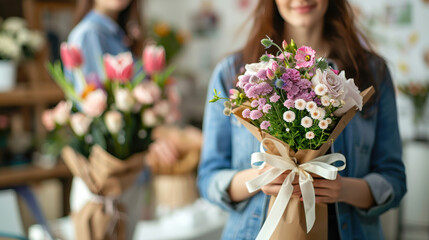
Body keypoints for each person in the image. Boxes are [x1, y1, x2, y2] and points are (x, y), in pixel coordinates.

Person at [197, 0, 407, 239]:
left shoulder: (373, 72)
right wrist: (259, 179)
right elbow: (208, 178)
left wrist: (343, 189)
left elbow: (394, 180)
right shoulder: (233, 73)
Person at [66, 0, 180, 238]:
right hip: (104, 175)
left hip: (127, 174)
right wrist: (155, 136)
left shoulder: (120, 33)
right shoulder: (89, 34)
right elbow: (98, 108)